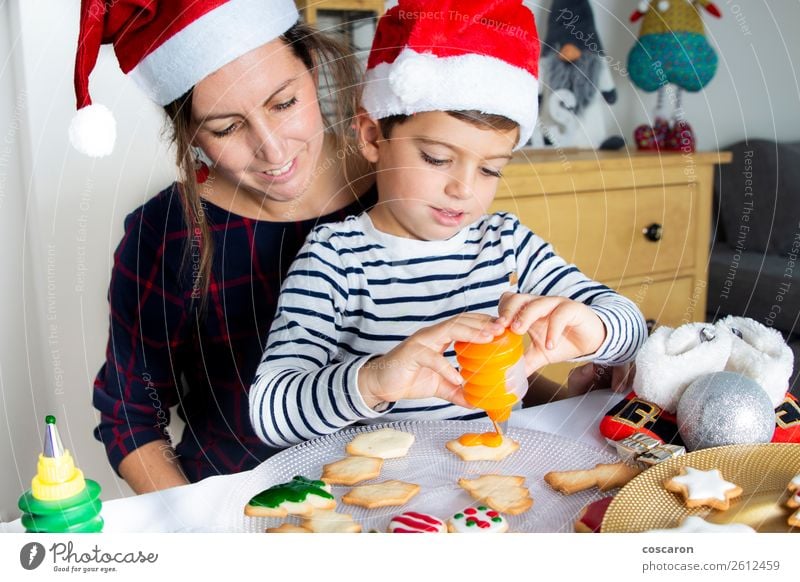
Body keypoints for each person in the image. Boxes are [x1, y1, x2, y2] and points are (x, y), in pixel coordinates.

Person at [249, 0, 647, 449]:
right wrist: (374, 380)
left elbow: (631, 326)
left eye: (490, 169)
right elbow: (269, 411)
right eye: (437, 158)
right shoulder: (334, 257)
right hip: (380, 491)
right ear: (373, 135)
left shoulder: (506, 241)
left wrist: (594, 330)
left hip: (495, 473)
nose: (464, 189)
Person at [76, 0, 375, 492]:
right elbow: (131, 412)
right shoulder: (169, 232)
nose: (274, 150)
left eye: (284, 103)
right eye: (226, 127)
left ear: (313, 69)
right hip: (242, 511)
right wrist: (200, 536)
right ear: (190, 133)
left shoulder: (408, 189)